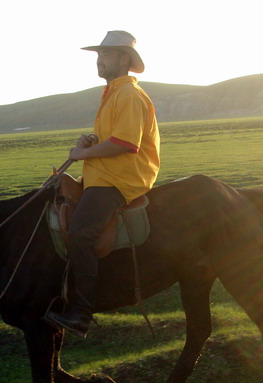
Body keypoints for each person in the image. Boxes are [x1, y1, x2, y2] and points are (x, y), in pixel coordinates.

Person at [45, 30, 161, 337]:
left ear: (124, 58)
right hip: (101, 176)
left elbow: (125, 143)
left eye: (106, 55)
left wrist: (83, 152)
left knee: (81, 235)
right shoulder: (112, 93)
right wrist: (93, 141)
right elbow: (112, 138)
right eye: (98, 54)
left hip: (119, 179)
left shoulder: (129, 94)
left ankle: (81, 313)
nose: (100, 60)